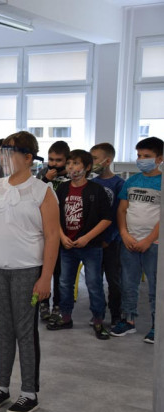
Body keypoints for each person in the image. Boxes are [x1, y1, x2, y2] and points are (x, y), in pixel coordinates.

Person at [0, 131, 59, 412]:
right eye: (2, 153)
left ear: (28, 157)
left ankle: (29, 392)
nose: (4, 158)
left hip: (27, 270)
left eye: (10, 152)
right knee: (3, 330)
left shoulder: (42, 191)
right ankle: (1, 386)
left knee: (25, 331)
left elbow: (52, 235)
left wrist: (45, 277)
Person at [46, 150, 112, 340]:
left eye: (76, 163)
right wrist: (61, 236)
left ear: (87, 167)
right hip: (68, 246)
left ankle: (98, 320)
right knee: (64, 283)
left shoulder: (96, 190)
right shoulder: (62, 188)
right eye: (69, 164)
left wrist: (87, 238)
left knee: (94, 283)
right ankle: (65, 316)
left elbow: (106, 219)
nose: (71, 167)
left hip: (91, 247)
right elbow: (54, 216)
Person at [111, 136, 163, 344]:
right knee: (128, 283)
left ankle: (157, 325)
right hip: (129, 241)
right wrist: (124, 234)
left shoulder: (161, 182)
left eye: (146, 156)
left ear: (159, 158)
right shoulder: (131, 182)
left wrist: (149, 240)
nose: (141, 159)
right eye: (139, 155)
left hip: (155, 244)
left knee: (155, 287)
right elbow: (122, 210)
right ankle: (128, 320)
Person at [90, 143, 125, 327]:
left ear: (107, 160)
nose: (92, 162)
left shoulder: (119, 184)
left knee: (114, 280)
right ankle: (98, 313)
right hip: (94, 242)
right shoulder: (92, 184)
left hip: (112, 242)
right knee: (94, 280)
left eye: (95, 158)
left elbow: (120, 215)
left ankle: (116, 314)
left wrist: (108, 239)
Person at [35, 140, 71, 322]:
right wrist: (46, 179)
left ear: (66, 160)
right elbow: (34, 194)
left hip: (65, 231)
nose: (54, 164)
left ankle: (58, 305)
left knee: (60, 274)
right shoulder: (43, 173)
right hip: (44, 231)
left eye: (59, 160)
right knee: (44, 269)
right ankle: (43, 303)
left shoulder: (71, 175)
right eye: (51, 159)